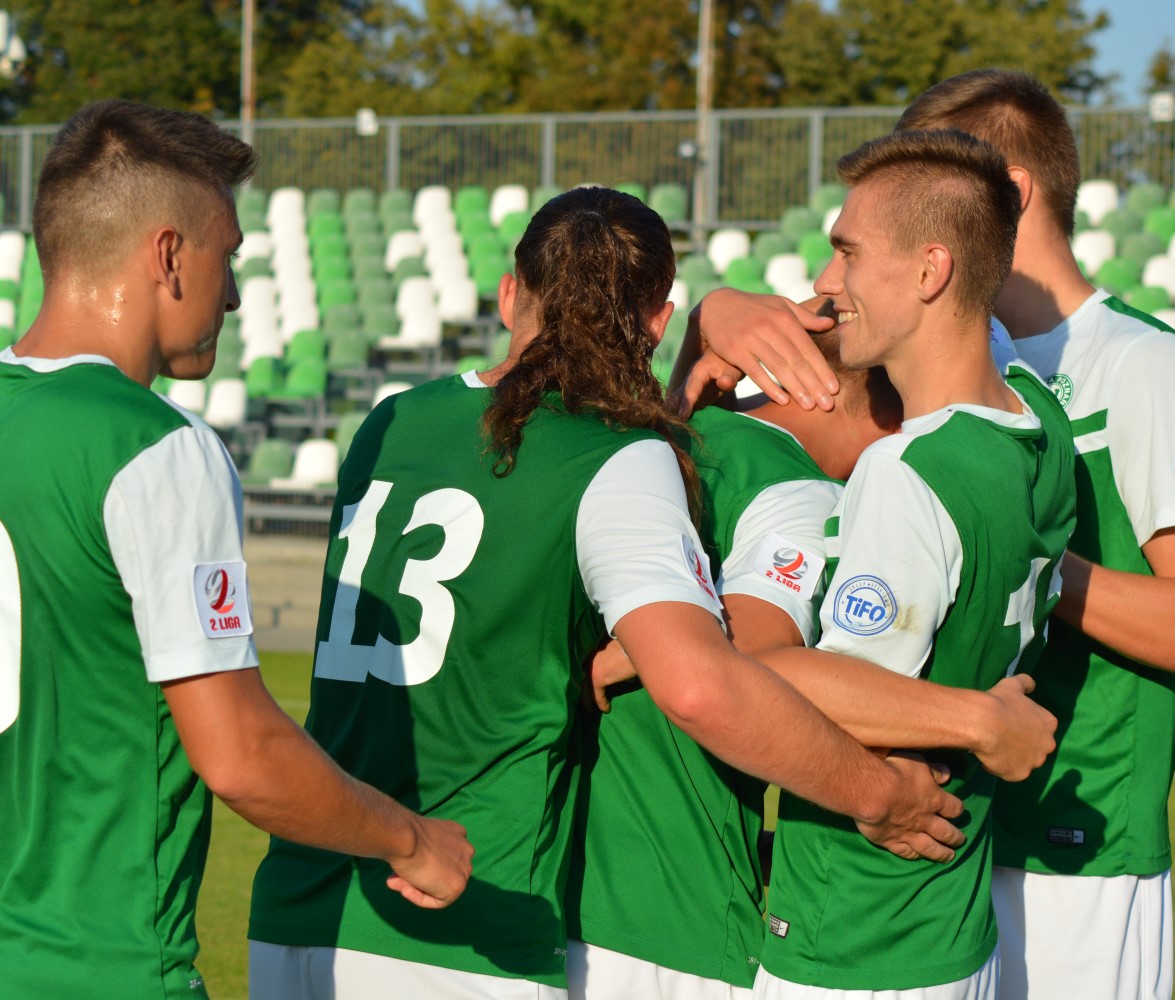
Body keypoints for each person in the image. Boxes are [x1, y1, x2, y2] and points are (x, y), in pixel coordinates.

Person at [248, 186, 967, 1000]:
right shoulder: (616, 456)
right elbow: (702, 687)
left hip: (303, 907)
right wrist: (881, 797)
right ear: (656, 324)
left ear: (510, 293)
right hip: (467, 907)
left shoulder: (391, 420)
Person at [679, 69, 1175, 1000]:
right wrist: (713, 312)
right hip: (954, 829)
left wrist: (1022, 559)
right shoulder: (972, 364)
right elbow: (780, 363)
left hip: (1074, 839)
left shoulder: (1140, 364)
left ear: (1006, 196)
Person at [0, 100, 474, 1000]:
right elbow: (242, 756)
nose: (233, 293)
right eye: (228, 256)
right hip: (99, 967)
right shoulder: (153, 446)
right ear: (169, 254)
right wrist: (413, 840)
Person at [568, 316, 1056, 1000]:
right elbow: (745, 666)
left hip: (544, 868)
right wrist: (976, 720)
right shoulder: (802, 493)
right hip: (669, 903)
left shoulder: (652, 432)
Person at [745, 128, 1076, 1000]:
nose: (827, 282)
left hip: (856, 930)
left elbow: (793, 685)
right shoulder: (1040, 425)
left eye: (847, 253)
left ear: (931, 271)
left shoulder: (909, 473)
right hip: (952, 920)